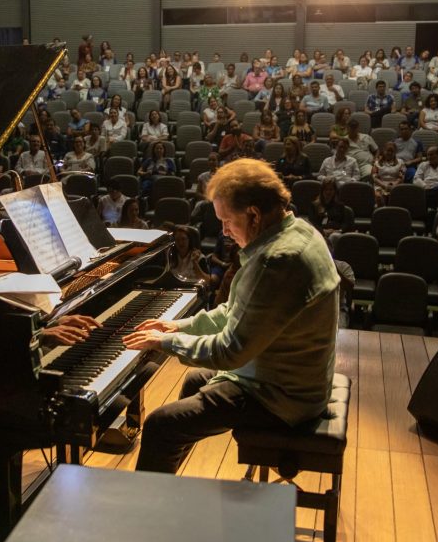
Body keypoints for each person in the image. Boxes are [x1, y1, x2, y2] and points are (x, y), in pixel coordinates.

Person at [124, 158, 340, 474]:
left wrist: (166, 342)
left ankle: (148, 516)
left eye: (227, 221)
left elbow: (230, 351)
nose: (224, 232)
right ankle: (165, 485)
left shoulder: (276, 261)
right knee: (194, 382)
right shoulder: (297, 231)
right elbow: (237, 311)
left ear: (253, 214)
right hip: (289, 378)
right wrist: (177, 325)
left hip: (283, 398)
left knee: (160, 425)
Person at [310, 178, 350, 247]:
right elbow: (312, 222)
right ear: (322, 191)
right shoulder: (315, 205)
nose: (328, 192)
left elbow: (345, 223)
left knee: (334, 237)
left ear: (335, 191)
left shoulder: (340, 205)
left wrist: (338, 231)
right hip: (320, 232)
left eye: (331, 189)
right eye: (326, 190)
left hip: (336, 233)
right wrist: (323, 231)